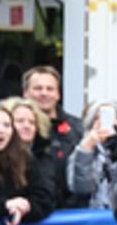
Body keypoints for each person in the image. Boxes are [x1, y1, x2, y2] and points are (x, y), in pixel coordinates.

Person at [21, 66, 82, 207]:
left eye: (50, 89)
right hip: (30, 212)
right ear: (25, 93)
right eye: (37, 88)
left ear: (58, 94)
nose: (44, 93)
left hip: (71, 212)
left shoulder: (77, 128)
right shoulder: (12, 126)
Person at [67, 100, 117, 209]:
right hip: (92, 213)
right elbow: (81, 187)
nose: (103, 122)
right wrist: (86, 149)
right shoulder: (82, 148)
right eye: (97, 118)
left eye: (111, 117)